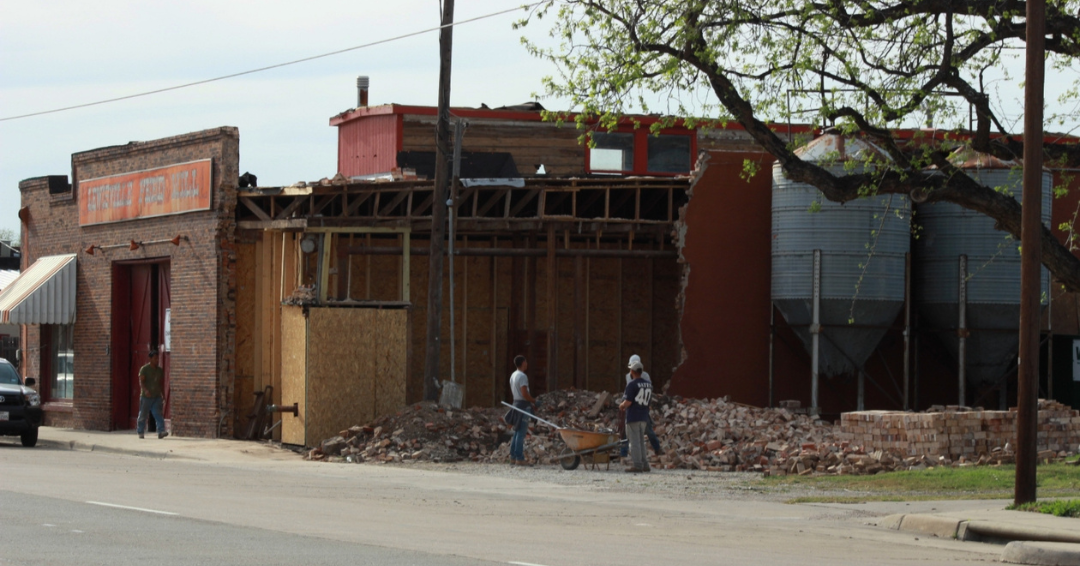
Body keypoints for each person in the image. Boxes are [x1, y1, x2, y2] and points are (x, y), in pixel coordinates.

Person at [621, 354, 663, 457]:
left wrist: (623, 404)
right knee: (625, 432)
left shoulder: (645, 376)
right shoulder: (628, 377)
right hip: (634, 408)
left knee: (647, 431)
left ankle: (657, 449)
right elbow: (629, 391)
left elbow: (644, 392)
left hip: (640, 406)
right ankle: (623, 453)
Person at [619, 360, 652, 473]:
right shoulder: (648, 384)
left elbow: (628, 402)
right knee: (641, 441)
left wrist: (621, 405)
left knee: (634, 443)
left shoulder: (632, 384)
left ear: (632, 371)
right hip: (643, 416)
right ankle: (645, 464)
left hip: (633, 416)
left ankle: (637, 465)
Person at [508, 355, 536, 466]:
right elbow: (524, 394)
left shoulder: (513, 375)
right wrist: (534, 401)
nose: (527, 364)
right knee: (521, 433)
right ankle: (519, 458)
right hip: (523, 406)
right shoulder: (522, 376)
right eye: (526, 362)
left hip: (516, 404)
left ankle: (513, 457)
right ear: (523, 362)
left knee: (516, 432)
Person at [137, 348, 169, 440]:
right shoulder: (144, 369)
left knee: (158, 414)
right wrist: (146, 391)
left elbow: (161, 383)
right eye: (155, 358)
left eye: (157, 358)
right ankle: (140, 431)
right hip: (146, 397)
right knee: (143, 414)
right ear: (150, 359)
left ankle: (161, 431)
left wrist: (163, 394)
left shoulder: (159, 370)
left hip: (156, 396)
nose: (157, 360)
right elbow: (141, 382)